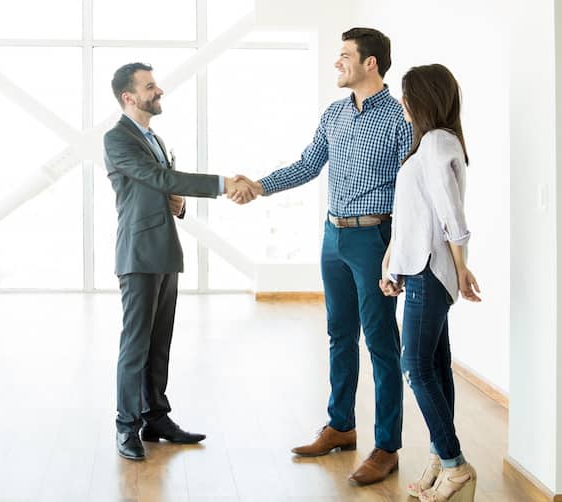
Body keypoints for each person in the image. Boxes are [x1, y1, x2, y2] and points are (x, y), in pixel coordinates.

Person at [232, 28, 413, 485]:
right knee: (338, 334)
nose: (337, 63)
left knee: (381, 343)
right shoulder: (334, 114)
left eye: (345, 56)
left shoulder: (398, 118)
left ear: (370, 63)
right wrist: (259, 185)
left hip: (375, 239)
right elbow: (309, 163)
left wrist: (399, 251)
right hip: (333, 237)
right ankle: (341, 426)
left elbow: (412, 191)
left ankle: (387, 446)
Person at [103, 62, 255, 461]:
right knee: (135, 345)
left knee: (159, 344)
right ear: (129, 97)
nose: (160, 91)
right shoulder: (117, 139)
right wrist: (224, 184)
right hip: (137, 254)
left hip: (165, 250)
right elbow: (161, 179)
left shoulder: (155, 138)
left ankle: (156, 418)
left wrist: (181, 204)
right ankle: (126, 426)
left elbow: (165, 190)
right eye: (150, 86)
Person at [380, 63, 480, 502]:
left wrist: (461, 266)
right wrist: (391, 263)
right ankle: (443, 460)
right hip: (419, 267)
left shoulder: (438, 141)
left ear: (419, 100)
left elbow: (449, 213)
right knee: (436, 367)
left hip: (430, 270)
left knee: (415, 368)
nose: (402, 103)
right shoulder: (430, 145)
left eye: (406, 95)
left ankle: (455, 465)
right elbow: (411, 215)